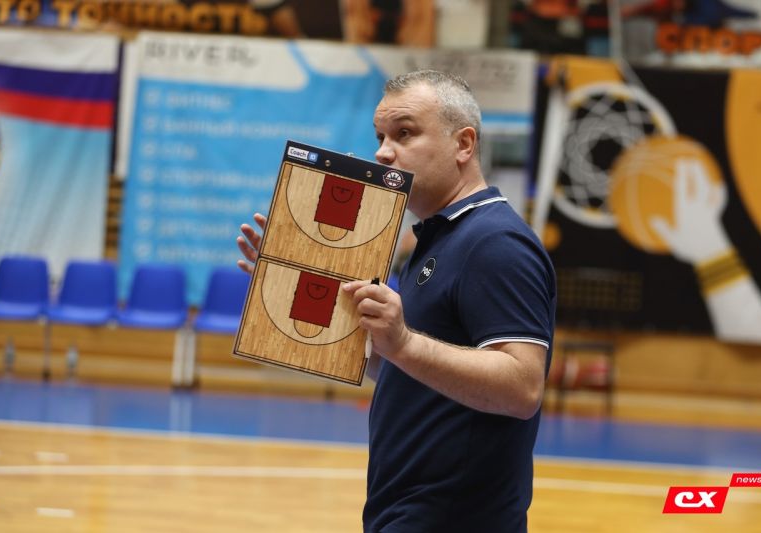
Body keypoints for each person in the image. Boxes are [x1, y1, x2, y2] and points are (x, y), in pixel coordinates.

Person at [236, 70, 556, 532]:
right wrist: (290, 288)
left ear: (464, 144)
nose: (384, 152)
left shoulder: (495, 242)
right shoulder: (435, 239)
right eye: (381, 137)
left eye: (404, 133)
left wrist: (403, 342)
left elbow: (523, 388)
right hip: (405, 512)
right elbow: (408, 370)